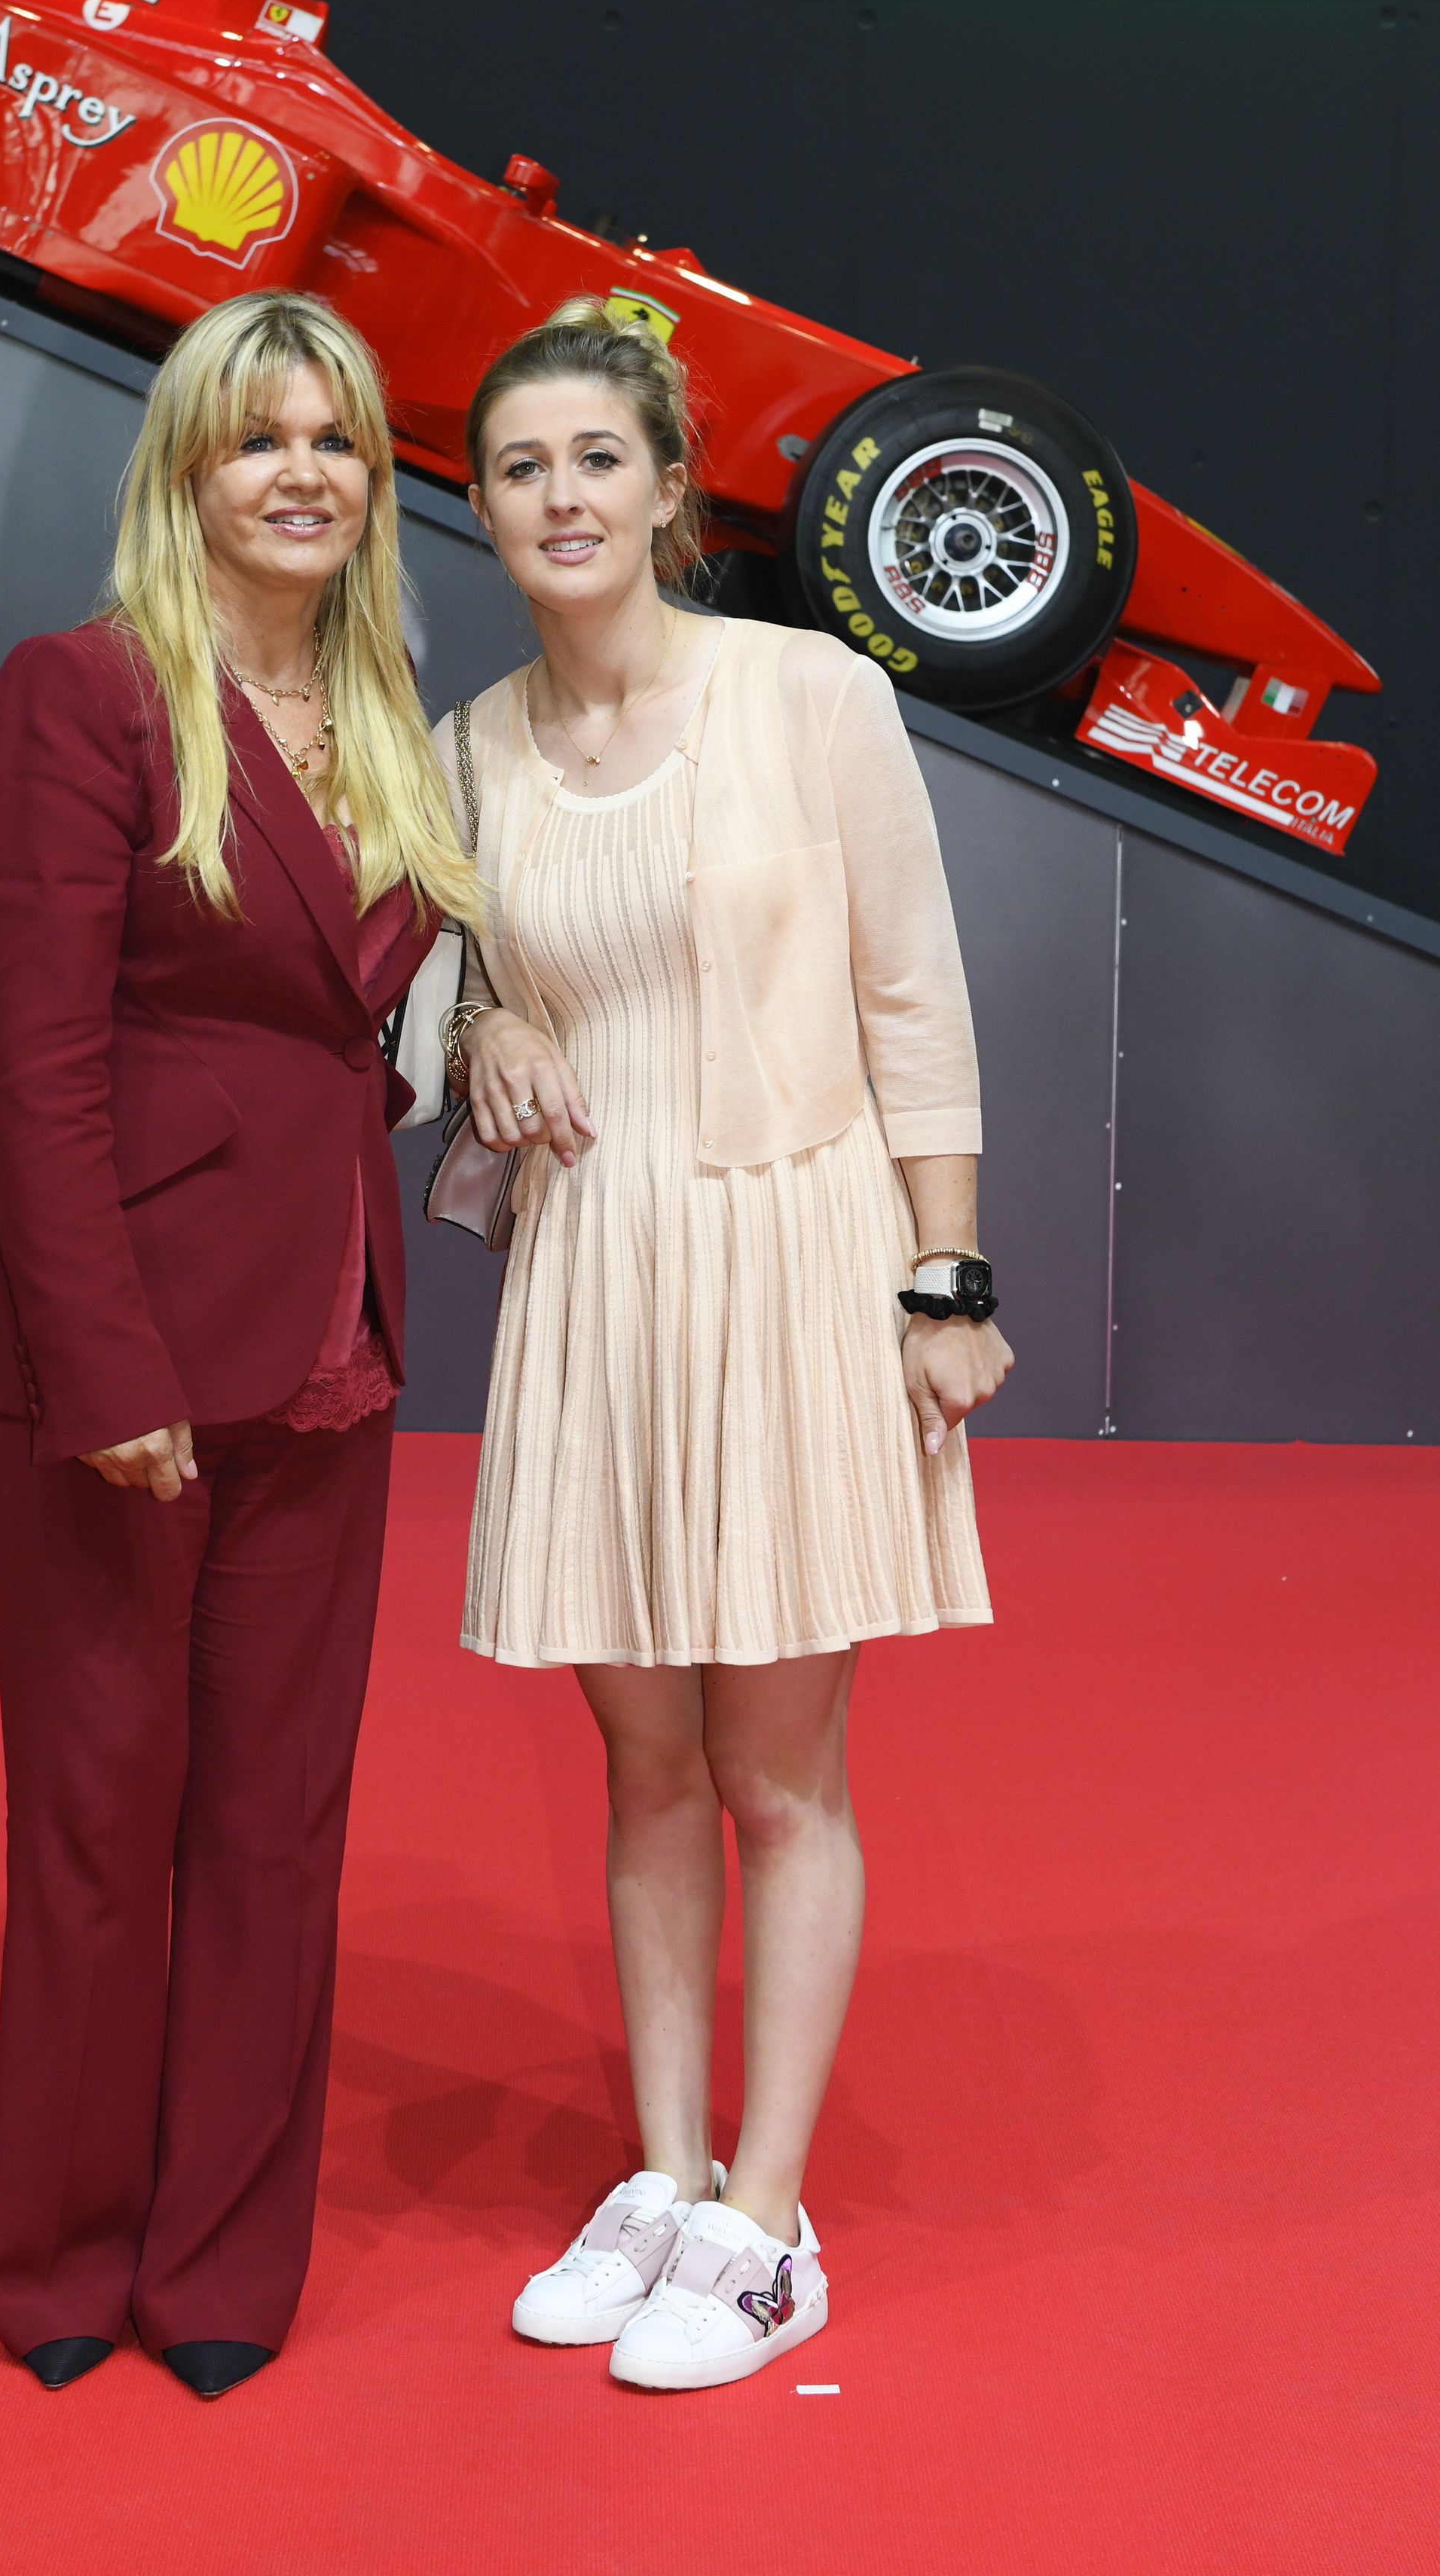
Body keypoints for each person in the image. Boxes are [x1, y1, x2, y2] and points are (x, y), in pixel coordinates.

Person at [0, 292, 474, 2399]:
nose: (303, 474)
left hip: (325, 1339)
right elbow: (37, 1069)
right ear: (187, 473)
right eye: (259, 441)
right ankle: (56, 2258)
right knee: (96, 1809)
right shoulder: (85, 696)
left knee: (274, 1823)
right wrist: (103, 1372)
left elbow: (356, 1018)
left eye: (338, 440)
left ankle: (221, 2262)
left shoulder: (397, 710)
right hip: (103, 1346)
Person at [438, 299, 1012, 2393]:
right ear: (482, 509)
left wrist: (945, 1283)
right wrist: (481, 1020)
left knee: (779, 1771)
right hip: (592, 1282)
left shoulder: (810, 694)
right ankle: (666, 2179)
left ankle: (769, 2223)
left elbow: (914, 1000)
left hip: (790, 1260)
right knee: (645, 1762)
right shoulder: (473, 745)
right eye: (520, 469)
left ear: (666, 487)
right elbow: (437, 982)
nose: (560, 498)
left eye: (594, 459)